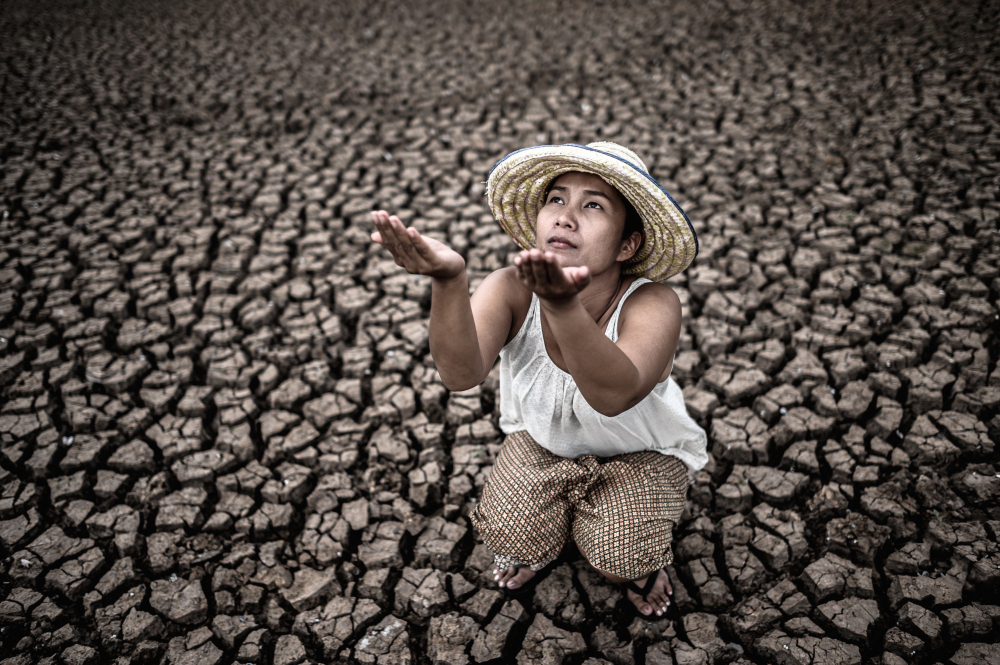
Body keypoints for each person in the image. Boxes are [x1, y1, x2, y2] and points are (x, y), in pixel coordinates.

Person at [370, 141, 708, 618]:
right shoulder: (510, 288)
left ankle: (635, 561)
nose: (566, 217)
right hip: (545, 442)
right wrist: (449, 279)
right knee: (511, 536)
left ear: (627, 245)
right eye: (556, 199)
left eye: (593, 205)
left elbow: (613, 395)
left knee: (620, 557)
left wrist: (562, 306)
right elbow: (460, 373)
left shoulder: (652, 302)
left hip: (640, 452)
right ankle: (557, 532)